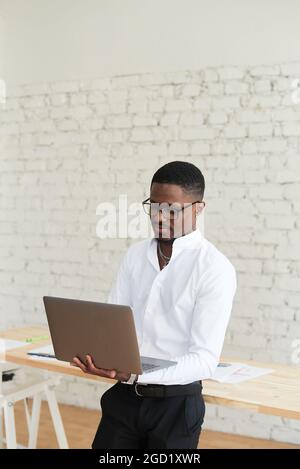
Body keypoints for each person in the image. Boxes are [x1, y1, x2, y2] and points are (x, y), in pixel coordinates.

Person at [71, 160, 237, 449]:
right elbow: (112, 323)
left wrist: (135, 372)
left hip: (176, 407)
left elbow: (204, 360)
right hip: (123, 400)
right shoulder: (135, 256)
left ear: (198, 208)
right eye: (155, 206)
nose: (160, 217)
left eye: (172, 210)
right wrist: (99, 356)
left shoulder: (214, 268)